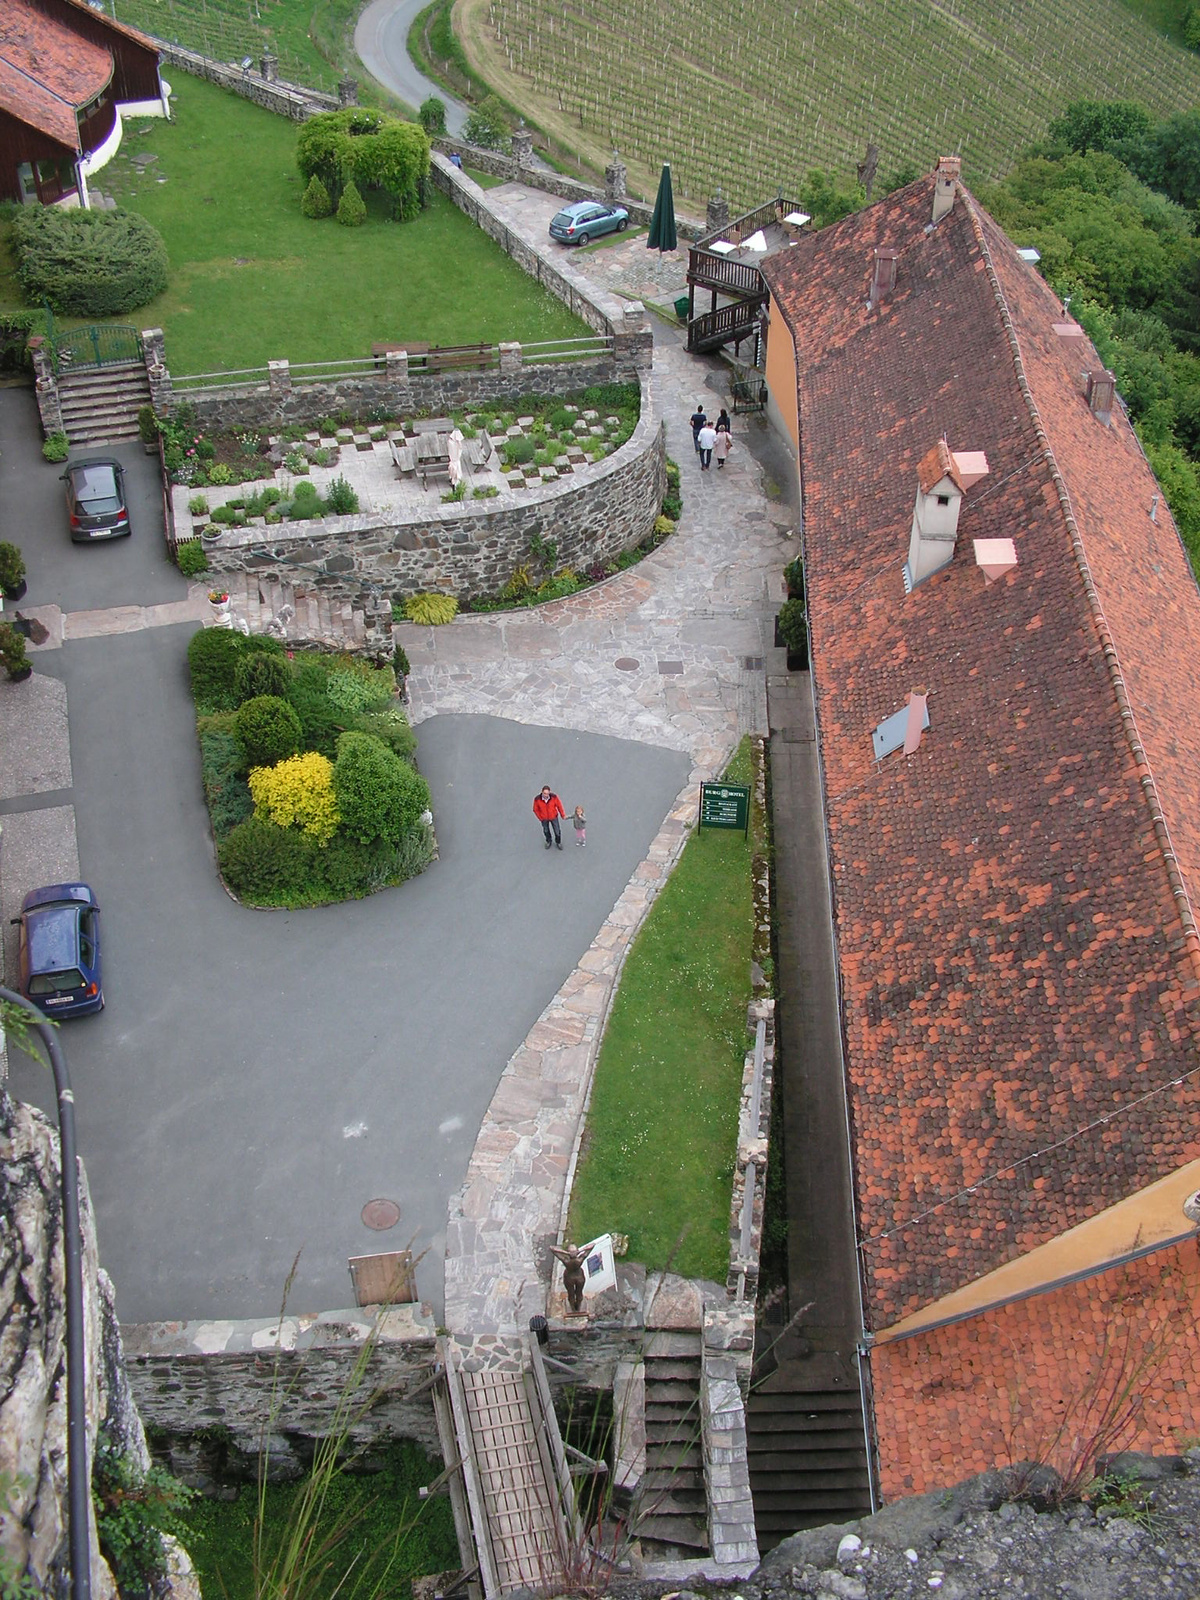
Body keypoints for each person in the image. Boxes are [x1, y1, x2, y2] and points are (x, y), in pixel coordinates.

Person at [534, 784, 565, 850]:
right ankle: (548, 841)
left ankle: (558, 842)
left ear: (549, 793)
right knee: (546, 830)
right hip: (544, 818)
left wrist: (562, 815)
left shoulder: (554, 797)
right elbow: (535, 809)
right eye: (544, 793)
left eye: (547, 793)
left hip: (553, 817)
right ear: (542, 792)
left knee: (557, 830)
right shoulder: (537, 799)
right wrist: (540, 818)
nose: (546, 795)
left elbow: (559, 806)